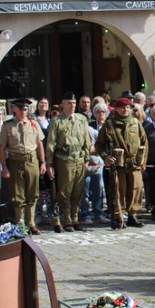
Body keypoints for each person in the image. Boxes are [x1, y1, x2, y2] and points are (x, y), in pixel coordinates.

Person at [95, 97, 148, 229]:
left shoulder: (136, 123)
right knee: (119, 191)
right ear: (116, 109)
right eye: (122, 107)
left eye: (128, 107)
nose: (125, 110)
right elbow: (99, 145)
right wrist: (106, 157)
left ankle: (132, 215)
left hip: (134, 163)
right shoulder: (109, 124)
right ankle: (119, 217)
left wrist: (143, 161)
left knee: (135, 189)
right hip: (118, 164)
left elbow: (144, 142)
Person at [0, 98, 46, 234]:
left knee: (33, 193)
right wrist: (4, 167)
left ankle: (31, 223)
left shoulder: (33, 124)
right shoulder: (7, 126)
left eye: (25, 109)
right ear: (14, 109)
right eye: (20, 109)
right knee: (18, 195)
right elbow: (1, 148)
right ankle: (20, 223)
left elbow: (39, 144)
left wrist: (42, 162)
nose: (23, 112)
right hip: (15, 161)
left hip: (32, 161)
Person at [45, 92, 90, 233]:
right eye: (69, 103)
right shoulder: (57, 120)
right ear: (63, 104)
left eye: (74, 103)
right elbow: (51, 142)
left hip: (79, 158)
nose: (72, 106)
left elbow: (86, 140)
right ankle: (67, 219)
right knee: (65, 191)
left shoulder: (81, 119)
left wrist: (87, 158)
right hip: (64, 159)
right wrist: (49, 162)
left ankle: (75, 217)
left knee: (78, 190)